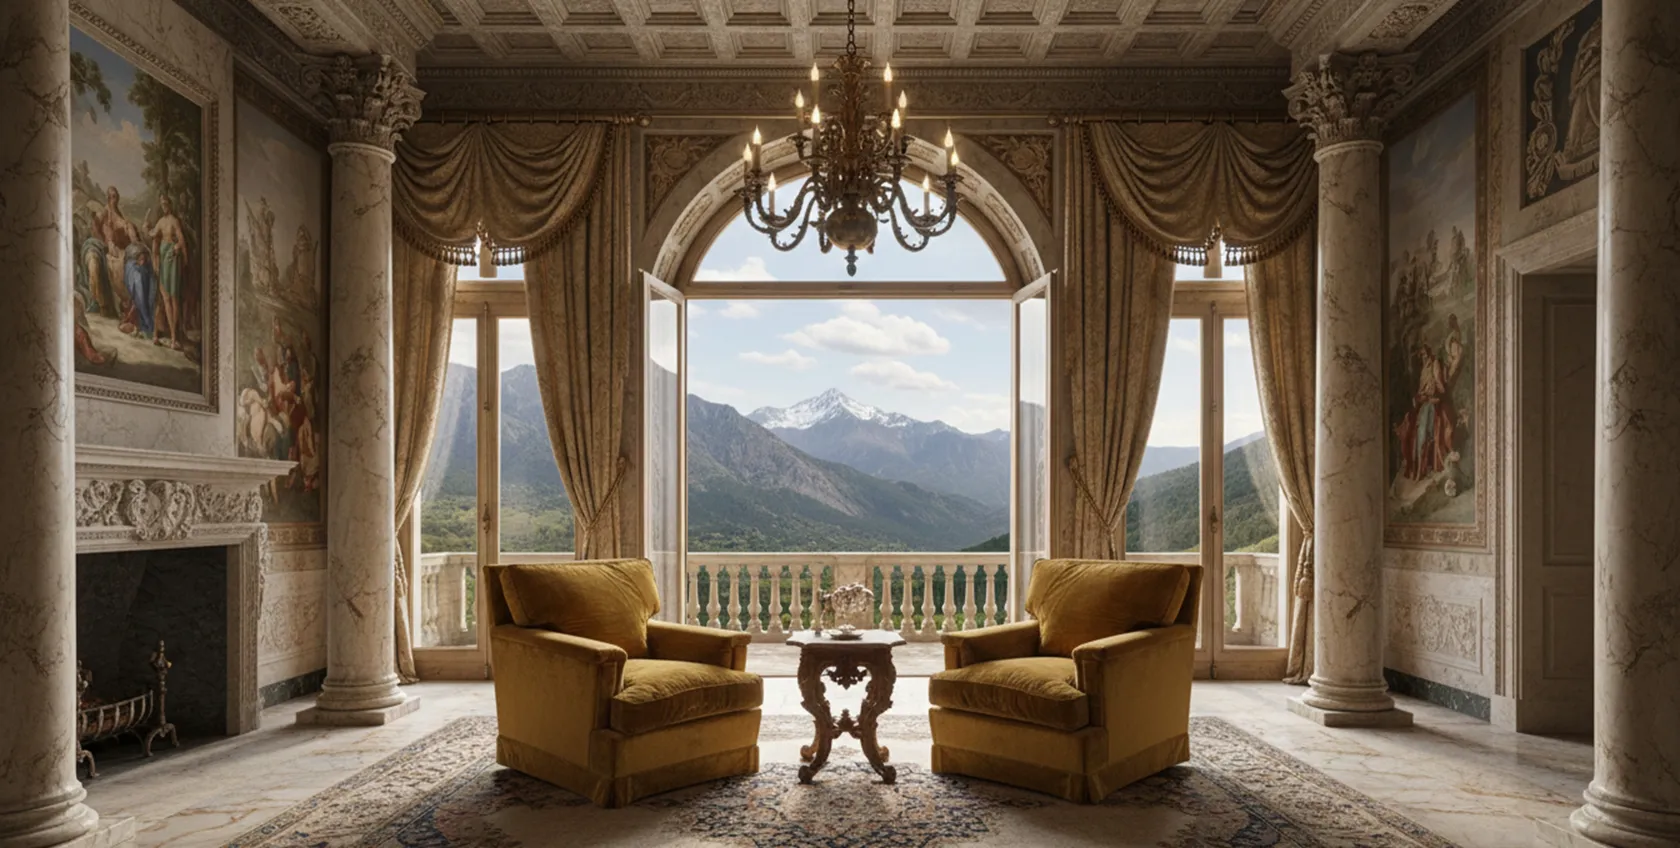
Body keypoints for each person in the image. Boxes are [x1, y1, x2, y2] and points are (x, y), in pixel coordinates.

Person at [151, 195, 188, 351]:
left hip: (171, 258)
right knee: (166, 296)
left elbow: (181, 240)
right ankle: (172, 336)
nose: (164, 206)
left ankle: (174, 337)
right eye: (162, 204)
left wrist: (178, 248)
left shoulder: (174, 221)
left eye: (166, 203)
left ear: (170, 205)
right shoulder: (161, 221)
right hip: (163, 254)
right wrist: (147, 229)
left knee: (173, 297)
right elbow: (153, 234)